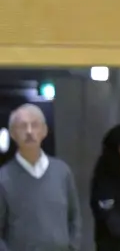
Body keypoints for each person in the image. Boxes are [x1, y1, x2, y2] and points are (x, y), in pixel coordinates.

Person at [0, 103, 83, 251]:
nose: (29, 131)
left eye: (35, 125)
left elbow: (74, 218)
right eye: (22, 126)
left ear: (44, 131)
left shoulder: (62, 171)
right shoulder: (3, 178)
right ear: (12, 133)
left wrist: (73, 247)